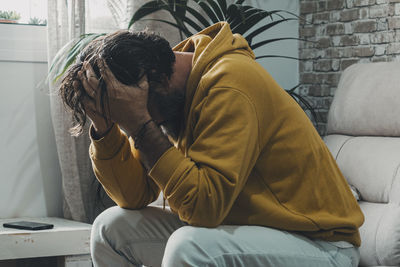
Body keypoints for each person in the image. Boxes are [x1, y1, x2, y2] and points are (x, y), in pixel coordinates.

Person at [60, 22, 364, 267]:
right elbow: (134, 196)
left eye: (129, 113)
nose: (138, 122)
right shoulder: (159, 92)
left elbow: (204, 208)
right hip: (242, 232)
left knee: (190, 248)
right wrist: (105, 126)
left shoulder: (231, 82)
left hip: (320, 247)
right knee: (111, 229)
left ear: (155, 79)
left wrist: (140, 125)